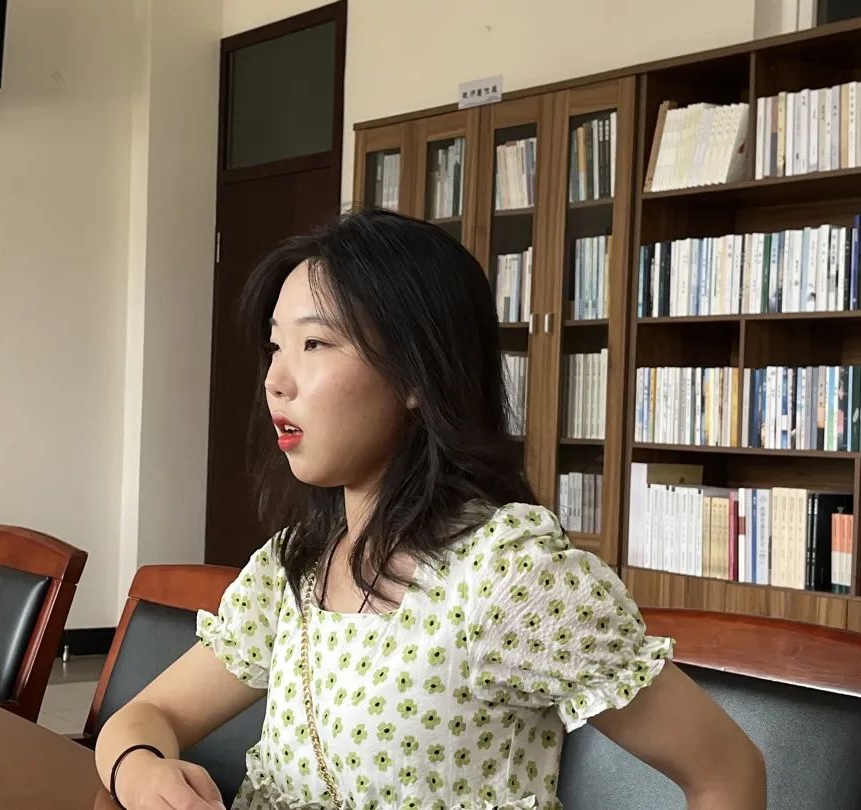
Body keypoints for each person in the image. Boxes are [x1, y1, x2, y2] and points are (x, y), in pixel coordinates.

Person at [95, 209, 766, 810]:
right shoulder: (293, 567)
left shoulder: (508, 577)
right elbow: (144, 717)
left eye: (315, 343)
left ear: (416, 373)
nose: (276, 380)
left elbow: (729, 774)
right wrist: (141, 772)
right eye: (276, 346)